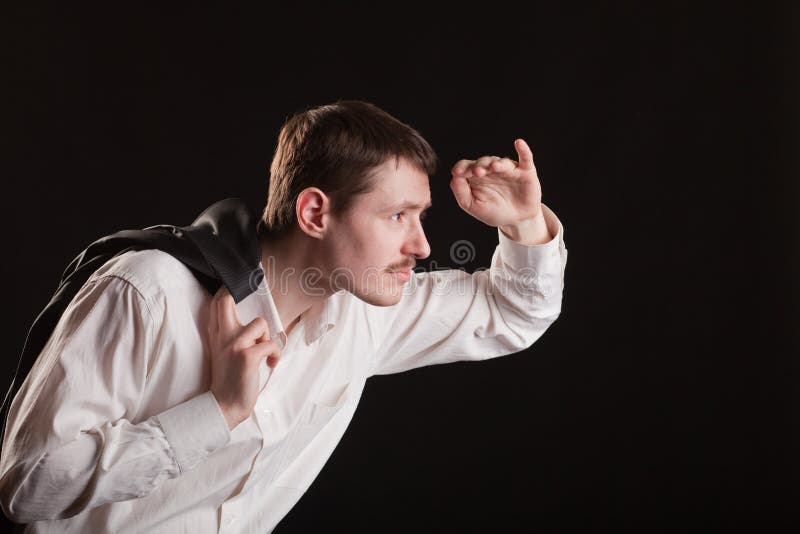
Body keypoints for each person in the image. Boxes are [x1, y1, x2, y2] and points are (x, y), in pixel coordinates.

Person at [0, 100, 568, 533]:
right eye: (398, 215)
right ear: (315, 212)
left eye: (419, 216)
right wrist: (219, 410)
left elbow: (512, 312)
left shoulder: (366, 314)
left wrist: (521, 224)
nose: (421, 246)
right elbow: (27, 484)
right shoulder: (147, 290)